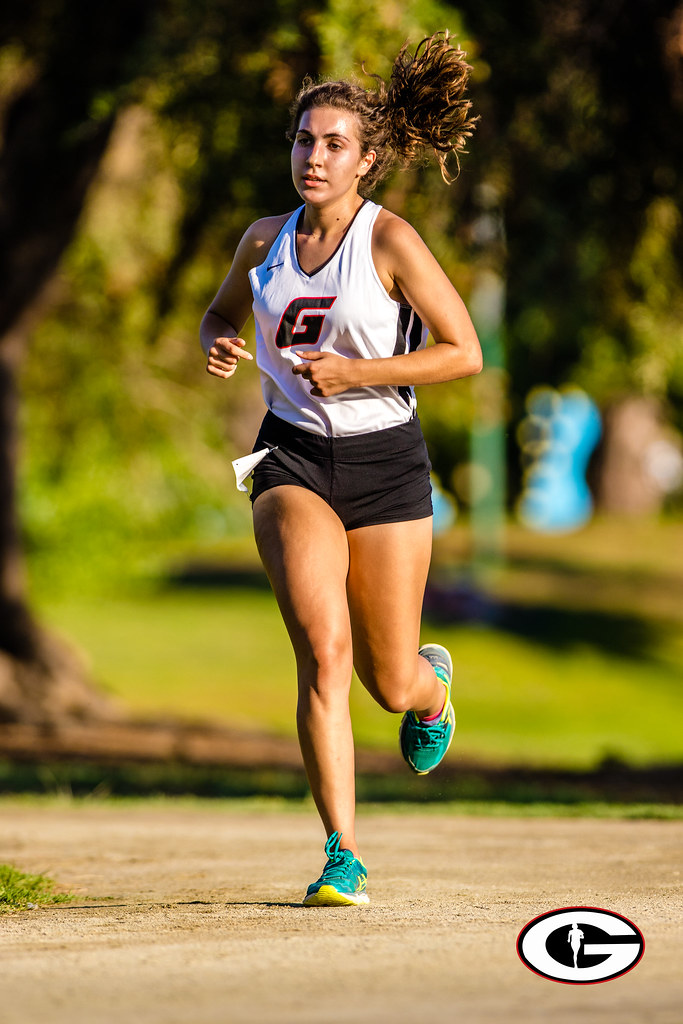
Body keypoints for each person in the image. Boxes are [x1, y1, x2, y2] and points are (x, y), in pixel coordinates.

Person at [200, 32, 482, 907]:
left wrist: (359, 372)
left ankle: (430, 691)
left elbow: (462, 352)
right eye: (302, 140)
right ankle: (341, 851)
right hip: (288, 457)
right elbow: (219, 312)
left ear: (366, 161)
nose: (312, 158)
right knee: (322, 654)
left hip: (386, 463)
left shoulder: (390, 241)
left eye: (332, 145)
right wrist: (218, 340)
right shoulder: (261, 241)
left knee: (385, 678)